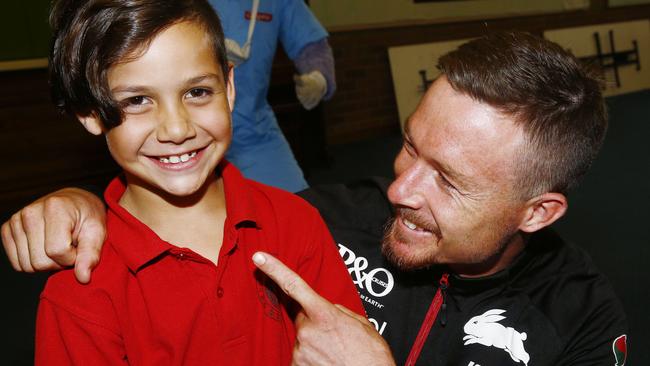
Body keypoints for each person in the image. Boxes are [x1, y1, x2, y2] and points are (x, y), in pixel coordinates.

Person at [2, 32, 628, 365]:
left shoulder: (579, 322)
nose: (399, 190)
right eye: (410, 146)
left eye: (450, 180)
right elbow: (194, 205)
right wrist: (84, 202)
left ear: (537, 211)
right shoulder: (322, 218)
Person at [29, 0, 363, 364]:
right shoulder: (80, 290)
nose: (177, 128)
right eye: (138, 100)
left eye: (197, 92)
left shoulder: (297, 222)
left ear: (229, 87)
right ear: (90, 114)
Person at [214, 0, 336, 192]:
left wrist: (319, 76)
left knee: (297, 208)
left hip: (254, 131)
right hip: (190, 132)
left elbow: (312, 44)